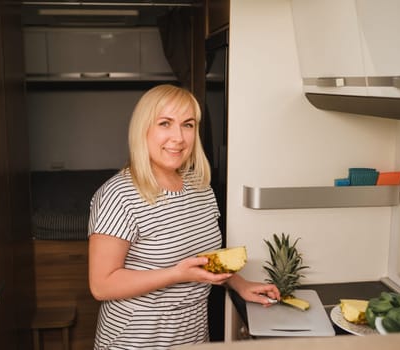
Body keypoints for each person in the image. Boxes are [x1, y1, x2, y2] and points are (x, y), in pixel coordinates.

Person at [88, 84, 280, 350]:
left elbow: (205, 256)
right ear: (143, 129)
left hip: (191, 335)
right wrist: (177, 274)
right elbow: (102, 285)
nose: (178, 137)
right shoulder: (118, 195)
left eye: (188, 125)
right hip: (136, 340)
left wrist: (240, 284)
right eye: (165, 123)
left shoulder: (198, 186)